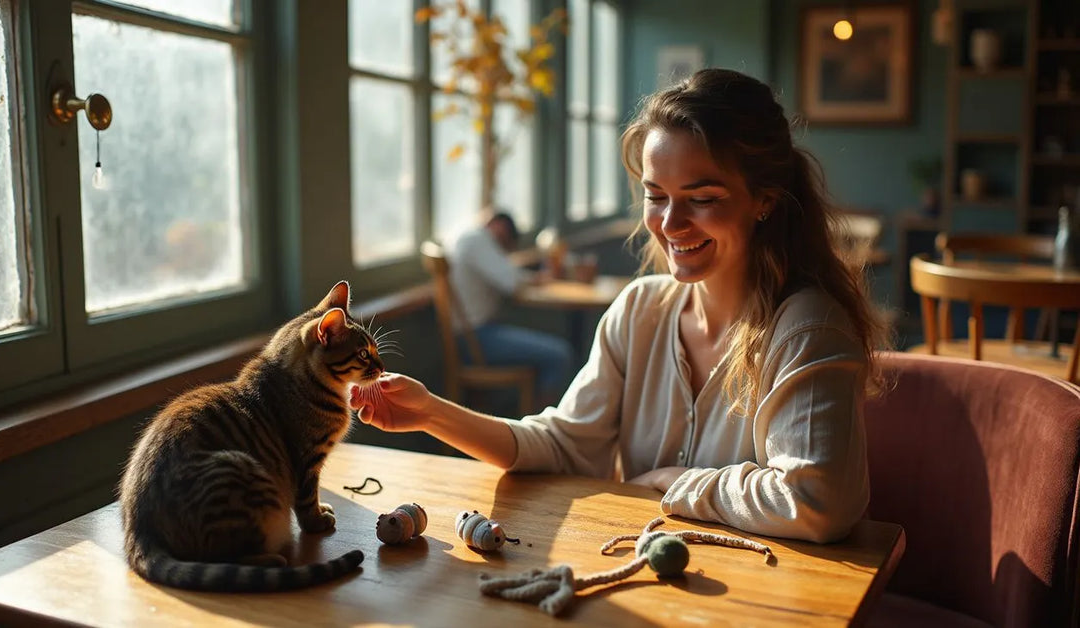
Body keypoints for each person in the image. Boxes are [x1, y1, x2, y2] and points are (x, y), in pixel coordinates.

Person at [351, 69, 889, 544]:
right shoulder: (638, 311)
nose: (670, 224)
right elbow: (563, 444)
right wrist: (431, 413)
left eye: (702, 198)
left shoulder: (805, 329)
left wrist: (674, 484)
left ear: (765, 199)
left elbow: (818, 503)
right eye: (657, 195)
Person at [447, 212, 576, 406]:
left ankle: (538, 422)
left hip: (472, 335)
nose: (503, 244)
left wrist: (532, 278)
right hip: (476, 339)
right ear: (498, 225)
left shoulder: (467, 237)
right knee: (560, 354)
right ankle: (543, 430)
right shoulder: (477, 240)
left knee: (554, 350)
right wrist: (536, 278)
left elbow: (509, 276)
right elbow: (510, 281)